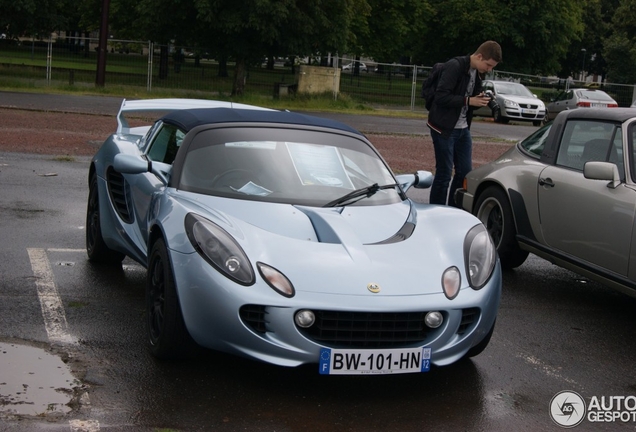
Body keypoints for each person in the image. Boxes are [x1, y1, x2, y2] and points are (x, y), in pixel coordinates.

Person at [426, 40, 502, 206]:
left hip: (463, 128)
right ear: (480, 56)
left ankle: (453, 209)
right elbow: (441, 97)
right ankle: (436, 211)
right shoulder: (455, 66)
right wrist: (469, 101)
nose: (489, 70)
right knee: (444, 174)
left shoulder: (477, 72)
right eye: (488, 65)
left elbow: (472, 95)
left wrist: (481, 98)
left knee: (464, 172)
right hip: (443, 127)